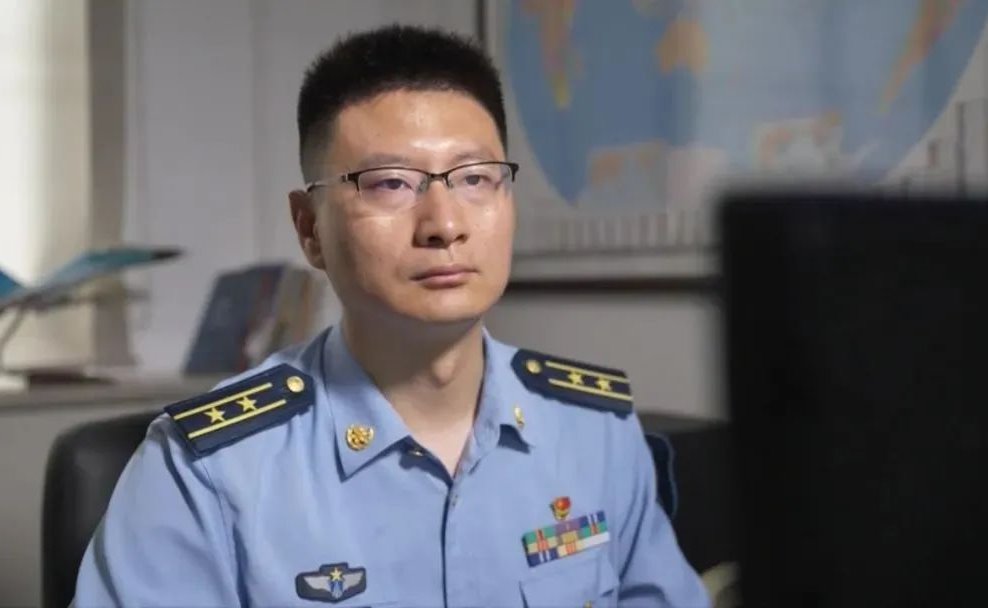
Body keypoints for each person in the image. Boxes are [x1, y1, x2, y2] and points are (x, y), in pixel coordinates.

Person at [73, 24, 709, 607]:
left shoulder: (595, 432)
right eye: (390, 184)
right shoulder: (208, 471)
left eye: (476, 178)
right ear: (309, 229)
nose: (445, 225)